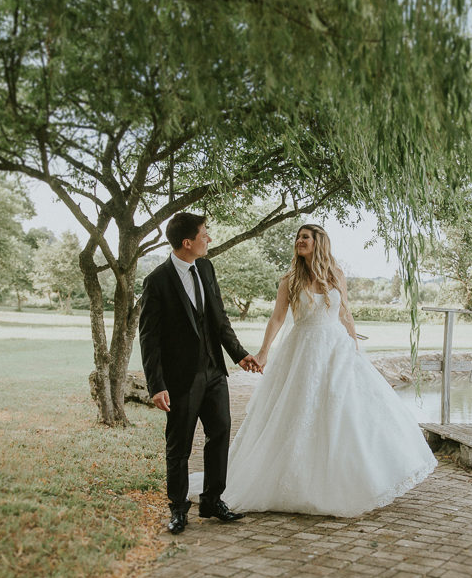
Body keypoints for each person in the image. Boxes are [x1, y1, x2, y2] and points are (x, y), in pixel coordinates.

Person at [221, 224, 437, 517]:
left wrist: (354, 344)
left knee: (344, 410)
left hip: (336, 349)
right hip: (302, 350)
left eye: (305, 237)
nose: (299, 241)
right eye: (298, 237)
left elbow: (344, 311)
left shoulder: (336, 276)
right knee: (299, 412)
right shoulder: (289, 280)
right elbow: (277, 318)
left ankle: (355, 478)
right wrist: (263, 351)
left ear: (318, 242)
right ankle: (294, 479)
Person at [138, 212, 261, 534]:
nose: (209, 239)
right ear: (187, 242)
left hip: (214, 373)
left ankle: (212, 501)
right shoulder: (156, 281)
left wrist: (239, 354)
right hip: (180, 379)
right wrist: (156, 385)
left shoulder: (206, 268)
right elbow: (149, 339)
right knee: (178, 446)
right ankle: (178, 509)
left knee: (219, 435)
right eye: (205, 234)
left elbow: (219, 319)